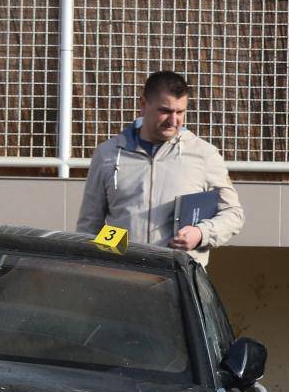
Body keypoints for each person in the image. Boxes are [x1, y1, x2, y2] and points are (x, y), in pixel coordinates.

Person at [76, 70, 243, 264]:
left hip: (178, 281)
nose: (173, 120)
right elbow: (90, 226)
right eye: (165, 111)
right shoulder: (108, 154)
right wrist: (113, 257)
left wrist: (201, 233)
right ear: (143, 105)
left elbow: (233, 214)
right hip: (122, 277)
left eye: (180, 112)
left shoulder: (204, 155)